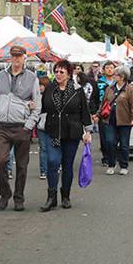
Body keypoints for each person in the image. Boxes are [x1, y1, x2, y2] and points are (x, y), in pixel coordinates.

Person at [39, 60, 94, 211]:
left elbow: (85, 111)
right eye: (56, 71)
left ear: (69, 74)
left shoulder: (77, 90)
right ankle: (51, 197)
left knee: (67, 165)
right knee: (52, 162)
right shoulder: (50, 88)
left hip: (72, 132)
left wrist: (88, 131)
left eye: (61, 72)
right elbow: (43, 107)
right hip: (53, 131)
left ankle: (65, 196)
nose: (58, 74)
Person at [0, 45, 39, 211]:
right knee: (0, 161)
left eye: (19, 56)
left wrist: (29, 125)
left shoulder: (32, 77)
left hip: (21, 126)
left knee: (22, 165)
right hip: (3, 126)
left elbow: (37, 105)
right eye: (13, 56)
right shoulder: (1, 76)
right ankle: (5, 193)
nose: (16, 59)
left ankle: (19, 197)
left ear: (25, 57)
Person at [101, 66, 133, 175]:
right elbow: (104, 103)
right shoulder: (110, 88)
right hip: (110, 119)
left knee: (124, 144)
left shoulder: (130, 89)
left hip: (125, 120)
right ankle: (111, 164)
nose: (114, 76)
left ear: (122, 77)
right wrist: (98, 115)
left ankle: (124, 165)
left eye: (116, 74)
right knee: (110, 142)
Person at [96, 61, 118, 165]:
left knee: (115, 135)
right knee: (104, 136)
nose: (109, 69)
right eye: (107, 68)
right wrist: (95, 113)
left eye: (111, 68)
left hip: (117, 111)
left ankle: (114, 154)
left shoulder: (118, 83)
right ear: (103, 70)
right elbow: (94, 98)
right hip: (103, 112)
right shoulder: (99, 83)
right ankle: (106, 157)